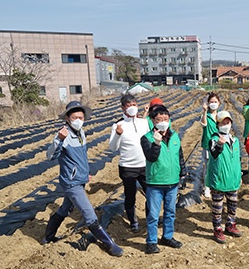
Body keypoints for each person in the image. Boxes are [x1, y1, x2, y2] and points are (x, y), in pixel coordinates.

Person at [43, 101, 123, 257]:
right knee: (89, 213)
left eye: (81, 117)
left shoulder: (81, 133)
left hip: (79, 179)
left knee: (65, 209)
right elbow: (50, 156)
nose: (78, 119)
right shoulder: (63, 134)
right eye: (74, 117)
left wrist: (85, 173)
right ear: (67, 118)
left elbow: (81, 157)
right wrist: (58, 139)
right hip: (71, 183)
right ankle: (109, 244)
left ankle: (48, 237)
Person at [141, 105, 186, 254]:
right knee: (153, 214)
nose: (162, 122)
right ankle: (151, 241)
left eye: (165, 119)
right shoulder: (146, 138)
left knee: (170, 212)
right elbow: (151, 157)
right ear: (152, 120)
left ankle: (167, 237)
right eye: (159, 119)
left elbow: (179, 156)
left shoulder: (174, 136)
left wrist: (183, 173)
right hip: (155, 183)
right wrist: (157, 143)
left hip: (172, 182)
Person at [109, 94, 150, 233]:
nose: (132, 108)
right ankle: (133, 221)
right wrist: (118, 134)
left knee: (151, 193)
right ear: (123, 108)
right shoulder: (118, 125)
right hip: (128, 167)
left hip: (145, 165)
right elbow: (113, 147)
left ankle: (150, 218)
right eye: (128, 105)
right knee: (130, 195)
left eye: (134, 104)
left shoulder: (143, 123)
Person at [206, 111, 242, 243]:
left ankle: (230, 224)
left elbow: (237, 160)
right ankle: (217, 229)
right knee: (218, 206)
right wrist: (220, 144)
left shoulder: (235, 140)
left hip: (232, 180)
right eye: (223, 123)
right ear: (217, 124)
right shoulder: (214, 140)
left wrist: (239, 175)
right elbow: (214, 153)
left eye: (228, 122)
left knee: (233, 204)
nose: (226, 125)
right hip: (219, 179)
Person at [200, 92, 221, 198]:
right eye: (211, 102)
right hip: (208, 144)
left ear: (219, 103)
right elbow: (203, 124)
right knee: (207, 167)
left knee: (218, 165)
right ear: (208, 103)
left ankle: (216, 185)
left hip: (219, 144)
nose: (213, 104)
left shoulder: (221, 116)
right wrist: (204, 112)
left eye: (215, 102)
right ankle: (207, 187)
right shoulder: (206, 115)